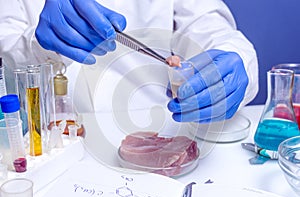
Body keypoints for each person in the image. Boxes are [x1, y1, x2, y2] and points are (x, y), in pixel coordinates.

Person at [0, 0, 258, 123]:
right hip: (56, 143)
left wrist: (236, 60)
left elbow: (214, 29)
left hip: (159, 131)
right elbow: (6, 56)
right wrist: (38, 46)